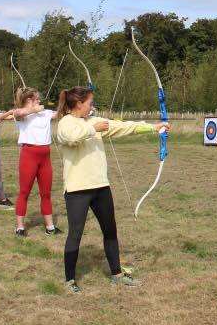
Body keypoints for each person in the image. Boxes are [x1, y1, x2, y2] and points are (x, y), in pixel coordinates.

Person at [54, 85, 168, 292]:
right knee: (75, 234)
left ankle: (117, 274)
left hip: (101, 187)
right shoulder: (65, 123)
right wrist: (93, 129)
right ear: (79, 104)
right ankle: (70, 279)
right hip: (77, 189)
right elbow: (71, 137)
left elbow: (122, 127)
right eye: (89, 103)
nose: (92, 106)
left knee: (110, 230)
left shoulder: (93, 122)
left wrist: (153, 127)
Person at [11, 86, 61, 237]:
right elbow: (19, 112)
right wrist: (35, 109)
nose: (40, 101)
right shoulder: (21, 114)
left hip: (45, 156)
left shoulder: (45, 113)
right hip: (29, 155)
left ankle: (50, 227)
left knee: (46, 193)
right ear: (28, 100)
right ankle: (20, 227)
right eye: (36, 98)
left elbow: (59, 114)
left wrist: (67, 100)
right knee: (24, 192)